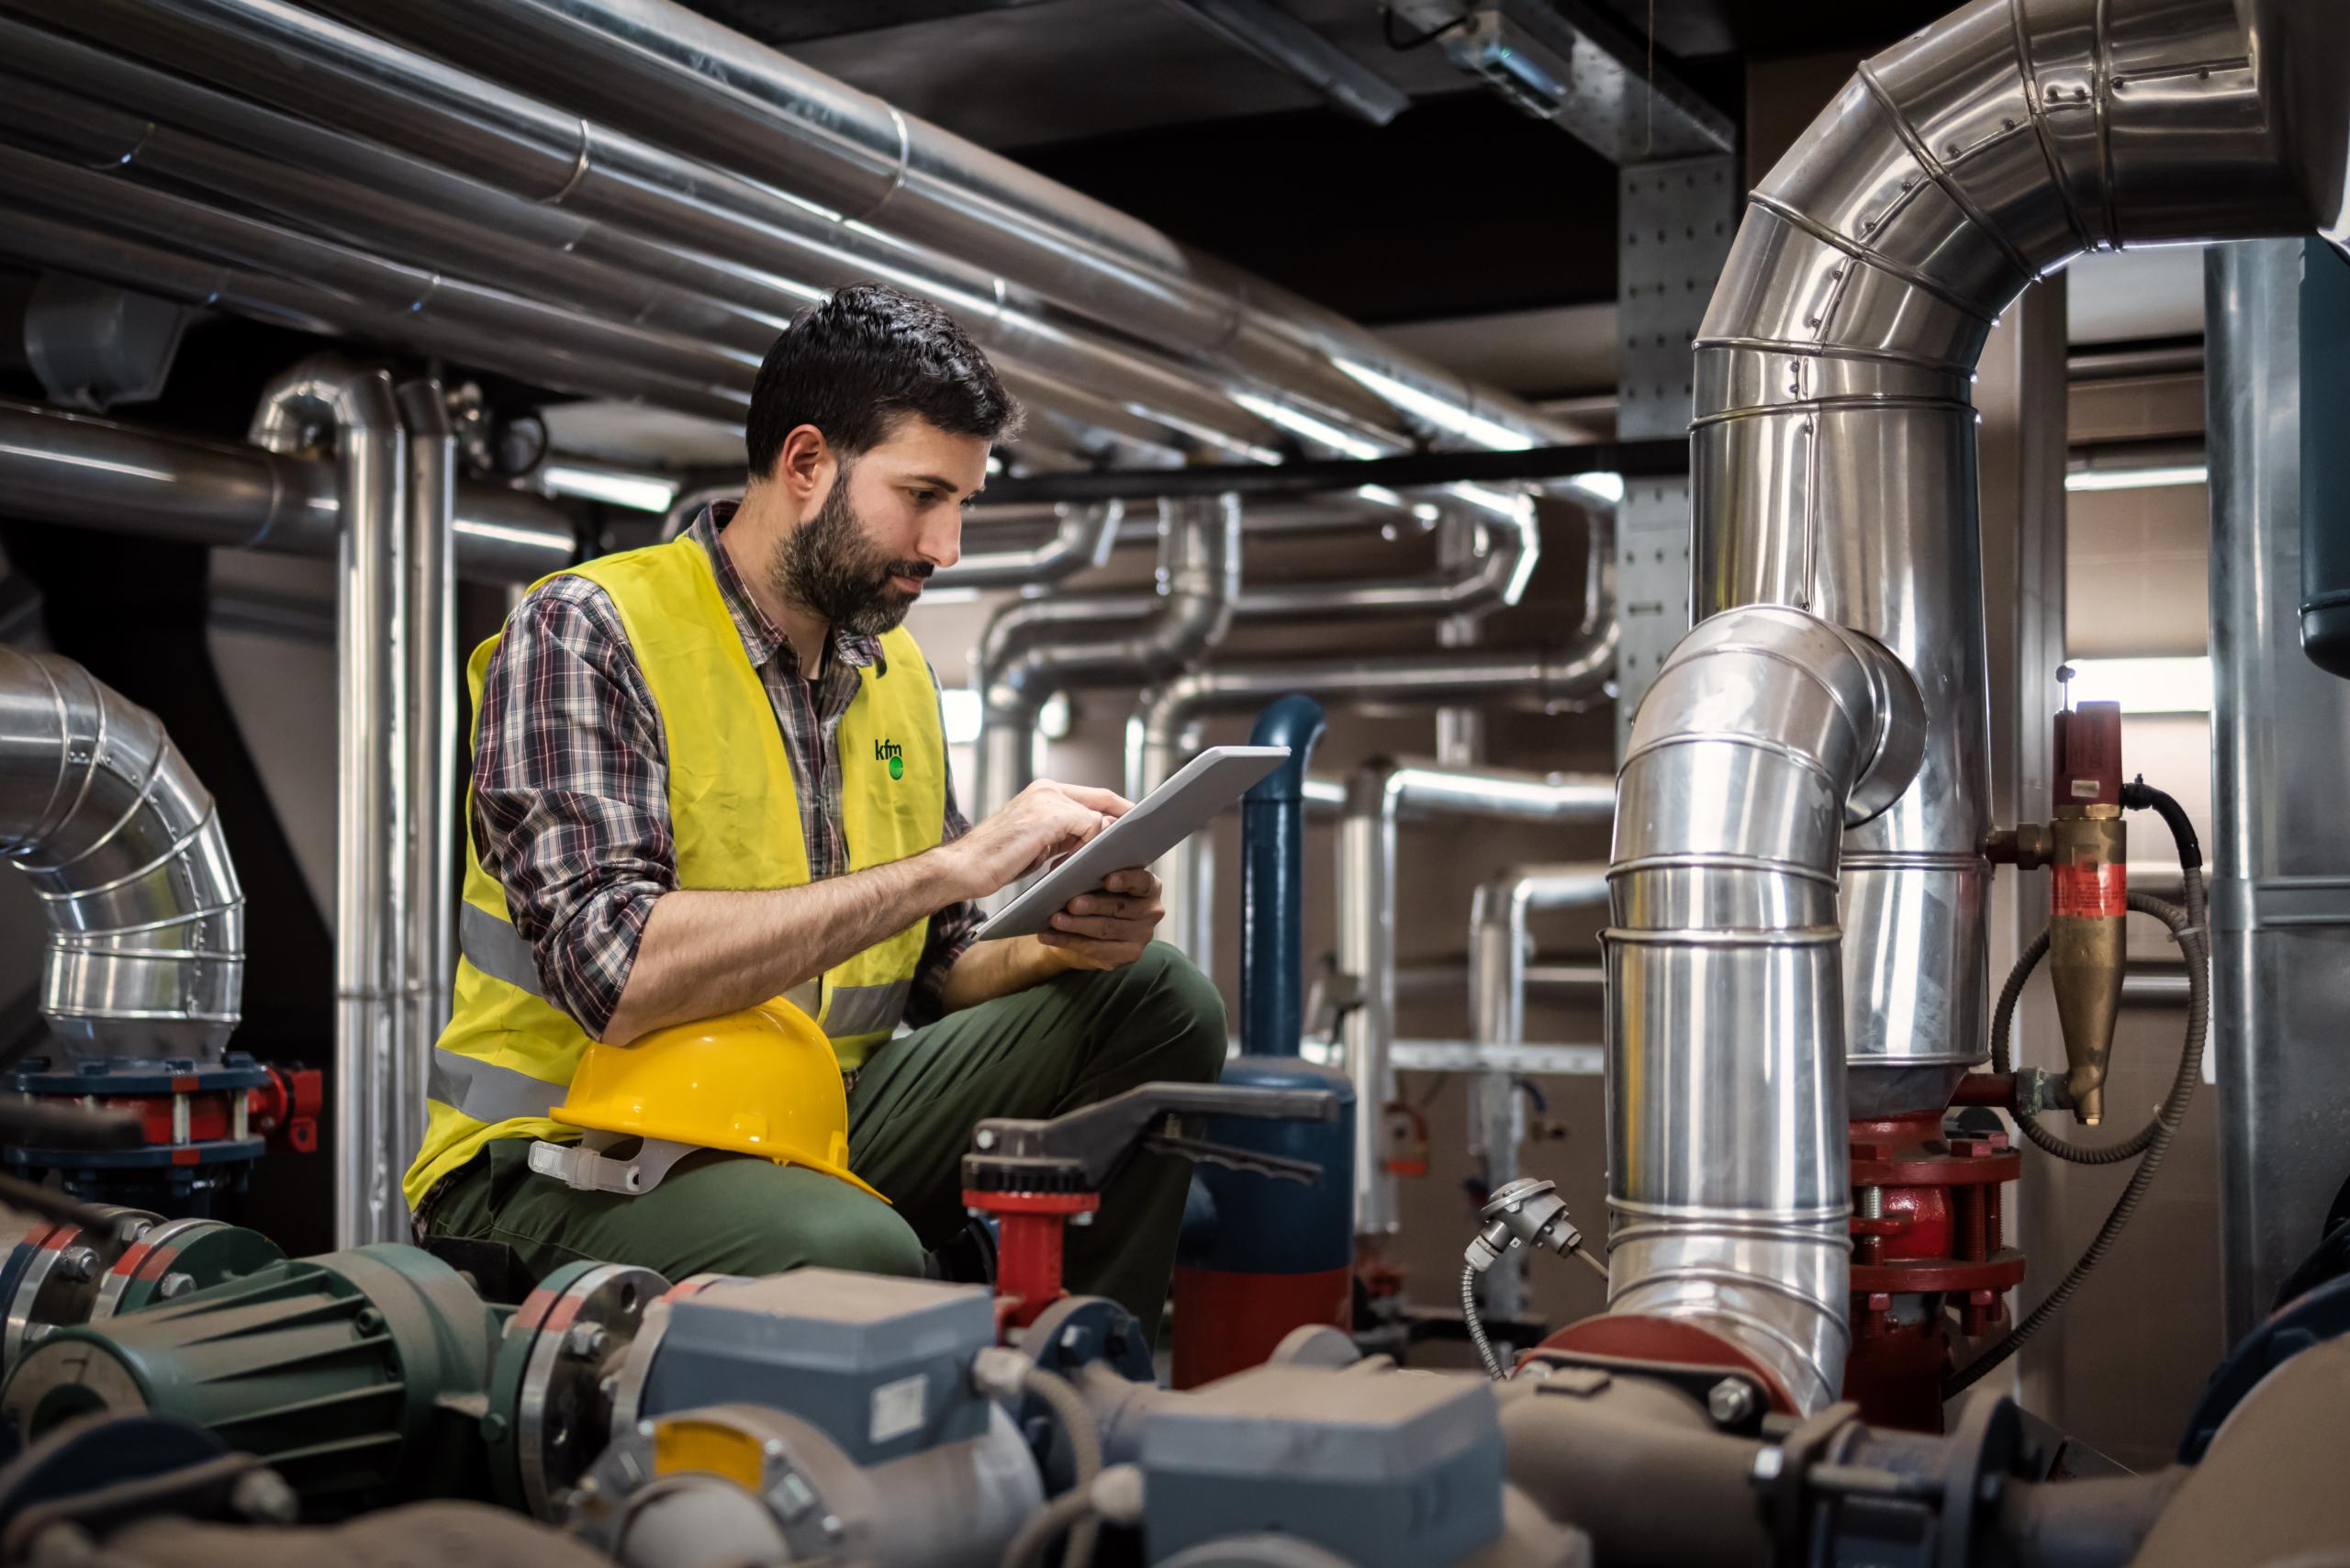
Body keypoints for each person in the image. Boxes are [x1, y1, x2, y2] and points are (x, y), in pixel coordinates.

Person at [405, 283, 1225, 1335]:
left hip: (805, 1115)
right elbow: (615, 974)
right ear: (805, 466)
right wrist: (954, 866)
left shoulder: (894, 674)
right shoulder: (587, 631)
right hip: (566, 1147)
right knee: (857, 1250)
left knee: (1158, 994)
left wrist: (1058, 941)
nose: (948, 546)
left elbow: (936, 967)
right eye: (924, 495)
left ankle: (1080, 1370)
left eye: (962, 504)